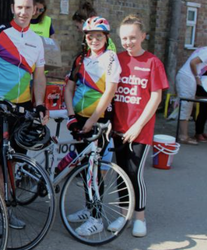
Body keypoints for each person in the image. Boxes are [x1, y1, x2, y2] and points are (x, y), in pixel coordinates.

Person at [0, 0, 48, 238]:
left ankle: (5, 207)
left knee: (14, 160)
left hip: (22, 108)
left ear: (35, 10)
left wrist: (39, 104)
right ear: (12, 9)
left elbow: (39, 76)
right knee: (0, 161)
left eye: (28, 8)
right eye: (20, 7)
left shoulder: (37, 41)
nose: (24, 12)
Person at [112, 15, 169, 238]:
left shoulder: (152, 62)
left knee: (135, 174)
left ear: (143, 36)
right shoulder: (117, 60)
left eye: (133, 37)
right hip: (118, 127)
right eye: (124, 38)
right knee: (120, 173)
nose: (128, 42)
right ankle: (122, 214)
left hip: (140, 130)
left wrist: (137, 126)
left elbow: (156, 98)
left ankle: (140, 217)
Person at [63, 16, 121, 236]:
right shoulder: (80, 59)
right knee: (84, 169)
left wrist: (93, 119)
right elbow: (69, 88)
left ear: (106, 37)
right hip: (78, 118)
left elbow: (110, 92)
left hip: (98, 122)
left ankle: (97, 218)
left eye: (99, 36)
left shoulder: (111, 59)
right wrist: (70, 115)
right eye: (90, 36)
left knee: (94, 170)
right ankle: (89, 209)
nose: (94, 39)